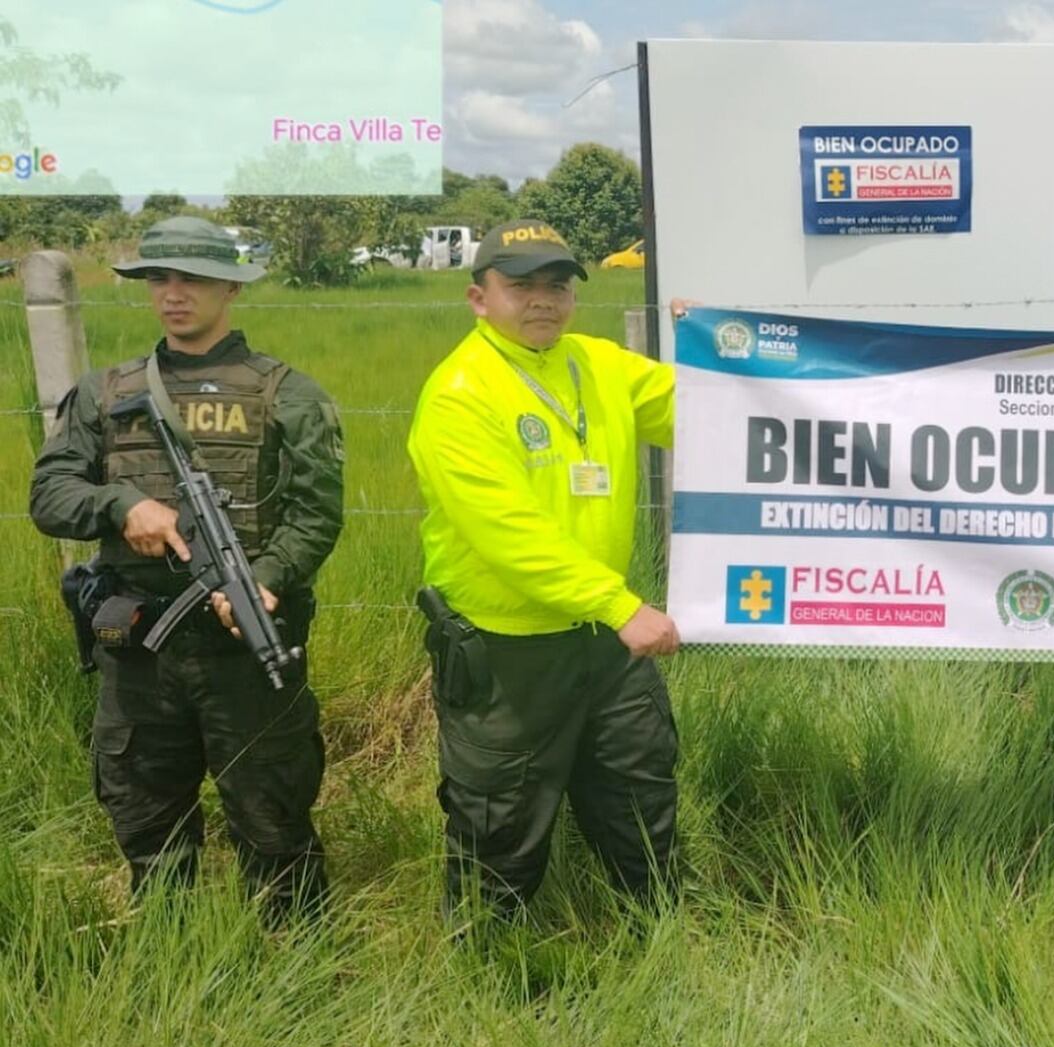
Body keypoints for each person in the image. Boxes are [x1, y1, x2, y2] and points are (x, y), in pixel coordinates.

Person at [30, 216, 344, 921]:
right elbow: (49, 495)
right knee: (147, 823)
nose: (174, 293)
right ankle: (168, 947)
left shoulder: (288, 395)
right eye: (159, 278)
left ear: (230, 288)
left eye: (194, 279)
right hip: (141, 648)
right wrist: (120, 505)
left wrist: (266, 578)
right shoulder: (104, 393)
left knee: (274, 820)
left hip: (245, 648)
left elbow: (317, 515)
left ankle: (299, 955)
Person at [407, 219, 682, 920]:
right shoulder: (460, 393)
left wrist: (734, 349)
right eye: (521, 285)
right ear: (479, 298)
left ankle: (658, 938)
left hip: (605, 642)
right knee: (501, 821)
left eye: (557, 285)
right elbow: (508, 532)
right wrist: (620, 606)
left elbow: (709, 412)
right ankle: (486, 960)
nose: (543, 300)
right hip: (509, 652)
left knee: (639, 797)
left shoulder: (600, 364)